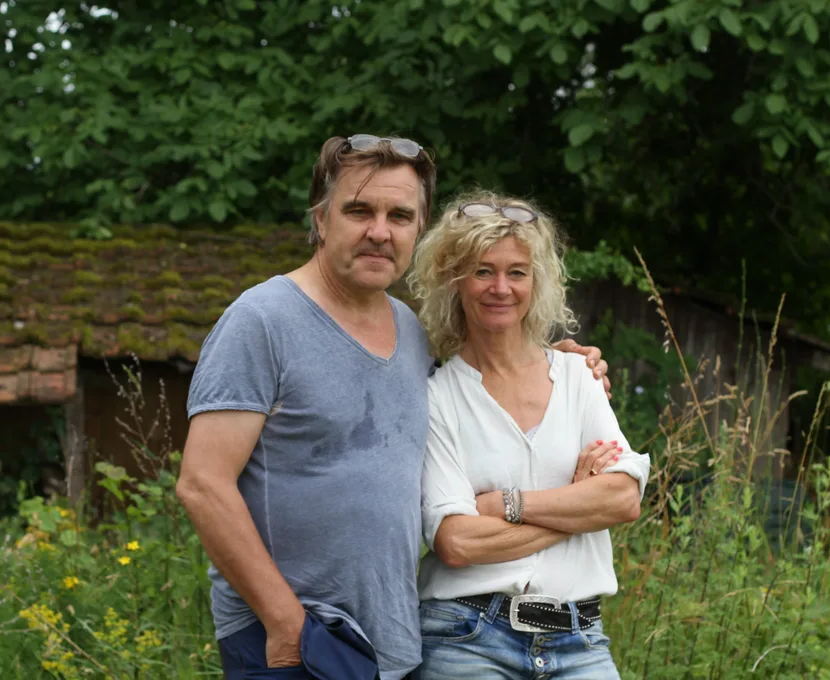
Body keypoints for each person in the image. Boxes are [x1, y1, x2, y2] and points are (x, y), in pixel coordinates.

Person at [177, 136, 611, 680]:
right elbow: (202, 484)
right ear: (320, 219)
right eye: (359, 210)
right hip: (294, 640)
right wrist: (286, 623)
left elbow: (489, 381)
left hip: (395, 642)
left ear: (417, 230)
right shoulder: (262, 320)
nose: (379, 231)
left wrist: (566, 365)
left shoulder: (412, 334)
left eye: (400, 215)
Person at [409, 191, 649, 680]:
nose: (500, 287)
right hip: (466, 635)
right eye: (482, 271)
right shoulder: (435, 399)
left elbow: (623, 498)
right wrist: (577, 506)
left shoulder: (579, 376)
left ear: (536, 281)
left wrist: (506, 505)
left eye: (516, 271)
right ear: (454, 280)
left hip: (579, 639)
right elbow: (456, 542)